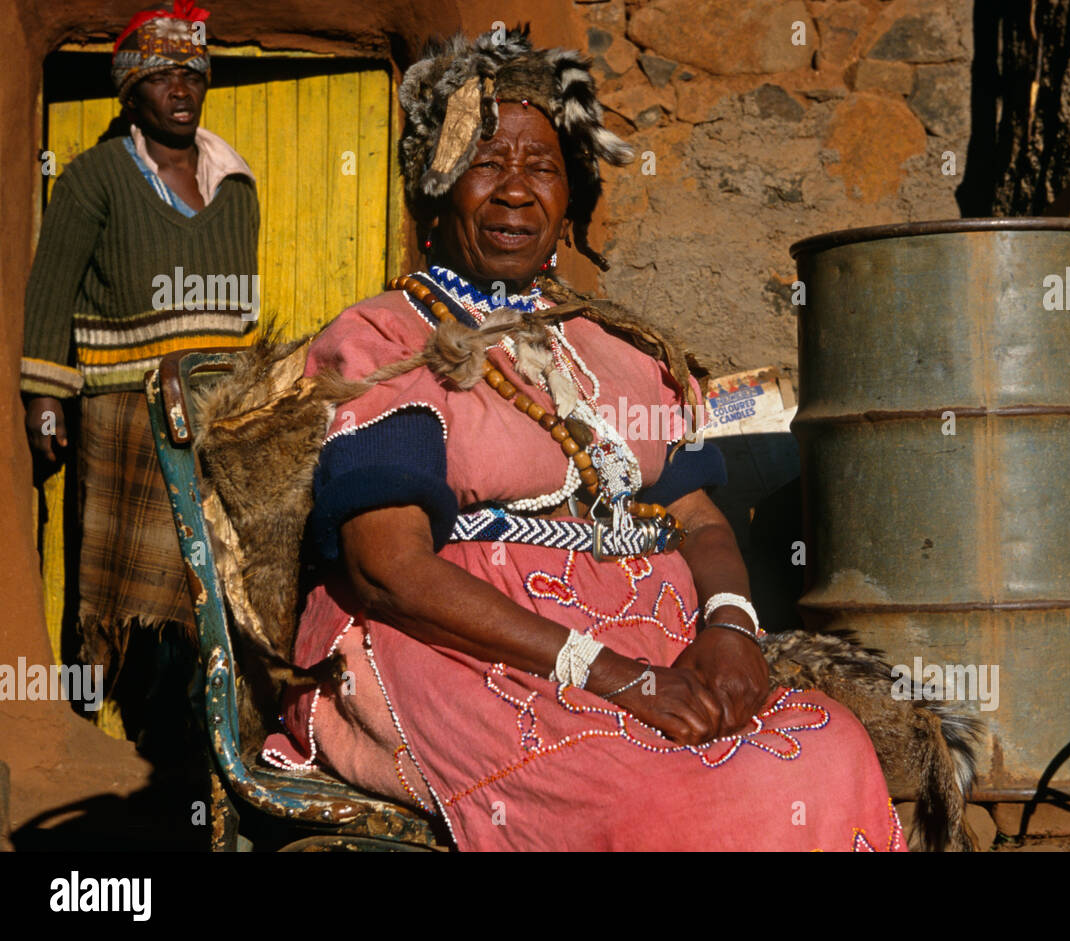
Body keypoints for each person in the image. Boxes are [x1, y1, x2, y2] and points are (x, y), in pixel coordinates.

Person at [259, 27, 904, 851]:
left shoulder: (614, 348)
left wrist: (734, 627)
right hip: (474, 661)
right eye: (488, 162)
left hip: (657, 644)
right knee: (662, 805)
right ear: (438, 185)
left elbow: (699, 516)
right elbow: (388, 569)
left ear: (571, 197)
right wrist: (616, 677)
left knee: (832, 751)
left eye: (543, 167)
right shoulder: (390, 341)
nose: (517, 191)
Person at [20, 0, 259, 745]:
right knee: (115, 589)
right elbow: (50, 293)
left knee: (211, 582)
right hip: (125, 416)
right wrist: (45, 398)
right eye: (162, 77)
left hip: (216, 415)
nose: (181, 90)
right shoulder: (94, 179)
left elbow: (242, 310)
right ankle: (93, 732)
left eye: (192, 74)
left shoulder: (235, 184)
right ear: (131, 91)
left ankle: (199, 737)